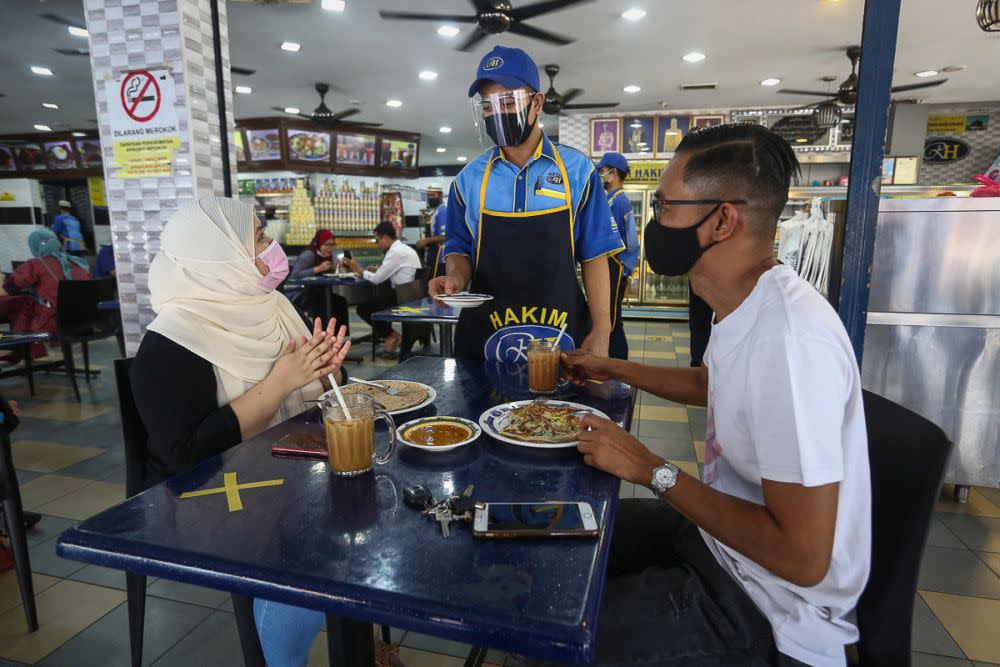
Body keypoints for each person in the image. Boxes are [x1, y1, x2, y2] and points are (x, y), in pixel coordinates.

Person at [558, 123, 870, 666]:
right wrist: (609, 365)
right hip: (721, 544)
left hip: (770, 605)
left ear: (722, 219)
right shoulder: (742, 302)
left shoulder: (791, 341)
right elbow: (711, 384)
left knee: (562, 644)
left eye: (665, 207)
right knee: (566, 536)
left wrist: (650, 467)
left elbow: (803, 558)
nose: (654, 223)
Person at [127, 197, 361, 667]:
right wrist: (280, 383)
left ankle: (361, 639)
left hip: (292, 466)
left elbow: (318, 393)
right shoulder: (172, 341)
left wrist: (328, 371)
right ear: (218, 256)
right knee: (317, 555)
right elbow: (183, 458)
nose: (270, 245)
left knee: (370, 515)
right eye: (256, 237)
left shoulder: (270, 305)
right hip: (218, 489)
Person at [428, 46, 623, 361]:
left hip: (561, 335)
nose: (498, 112)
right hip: (486, 337)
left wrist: (602, 329)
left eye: (508, 101)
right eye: (488, 106)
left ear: (537, 102)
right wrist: (454, 278)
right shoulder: (468, 180)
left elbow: (595, 255)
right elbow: (459, 249)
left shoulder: (577, 171)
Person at [0, 228, 91, 363]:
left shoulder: (35, 265)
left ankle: (17, 349)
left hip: (55, 324)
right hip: (85, 321)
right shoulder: (79, 263)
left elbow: (5, 292)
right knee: (29, 302)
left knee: (27, 304)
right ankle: (25, 354)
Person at [342, 222, 421, 357]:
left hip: (403, 299)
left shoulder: (395, 252)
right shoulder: (404, 249)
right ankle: (391, 335)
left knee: (364, 308)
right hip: (411, 295)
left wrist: (358, 270)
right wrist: (379, 269)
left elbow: (377, 279)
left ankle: (391, 335)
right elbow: (394, 271)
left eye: (377, 241)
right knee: (376, 301)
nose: (377, 245)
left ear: (385, 238)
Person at [596, 152, 639, 359]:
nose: (601, 174)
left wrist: (624, 267)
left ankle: (619, 366)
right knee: (610, 319)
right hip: (608, 268)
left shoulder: (620, 202)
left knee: (611, 321)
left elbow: (632, 241)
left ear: (613, 173)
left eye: (603, 171)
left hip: (615, 267)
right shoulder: (609, 200)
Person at [288, 230, 350, 332]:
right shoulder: (309, 255)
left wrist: (336, 268)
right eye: (326, 245)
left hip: (318, 291)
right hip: (300, 293)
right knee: (322, 302)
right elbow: (294, 275)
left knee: (340, 301)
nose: (330, 248)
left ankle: (338, 335)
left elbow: (327, 274)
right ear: (318, 243)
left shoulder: (328, 256)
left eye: (332, 245)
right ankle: (322, 336)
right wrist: (318, 269)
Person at [415, 187, 447, 278]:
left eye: (433, 195)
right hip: (433, 254)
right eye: (428, 195)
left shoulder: (442, 211)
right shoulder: (435, 211)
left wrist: (426, 241)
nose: (430, 198)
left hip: (440, 257)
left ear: (440, 195)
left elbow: (445, 236)